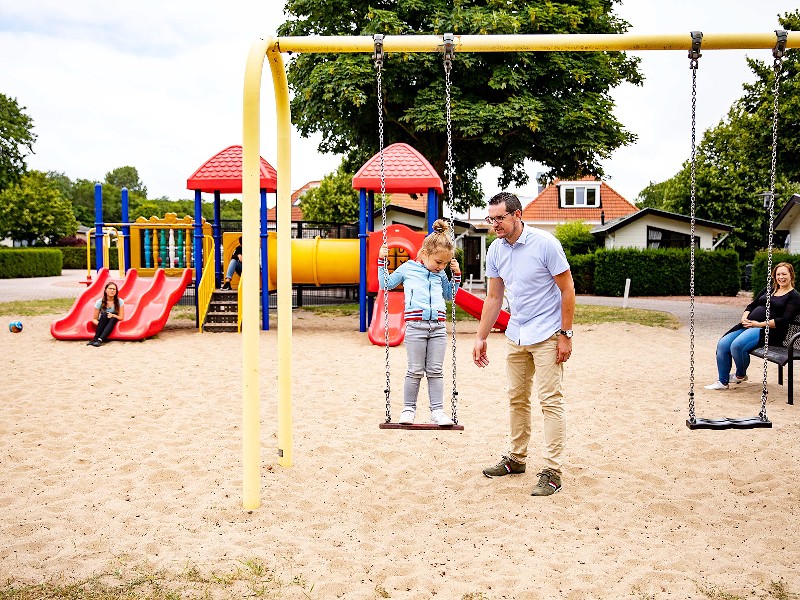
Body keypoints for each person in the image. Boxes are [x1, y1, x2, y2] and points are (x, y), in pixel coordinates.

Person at [472, 192, 575, 497]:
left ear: (517, 215)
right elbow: (493, 298)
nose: (495, 224)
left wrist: (566, 334)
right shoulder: (496, 251)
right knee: (516, 398)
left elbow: (567, 289)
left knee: (550, 401)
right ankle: (516, 459)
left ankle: (552, 471)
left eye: (500, 218)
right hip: (516, 333)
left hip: (547, 334)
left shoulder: (545, 244)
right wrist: (481, 336)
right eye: (491, 219)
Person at [378, 219, 461, 426]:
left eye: (444, 263)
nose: (441, 267)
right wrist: (382, 262)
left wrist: (455, 275)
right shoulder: (408, 269)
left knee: (435, 371)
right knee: (415, 370)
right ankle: (408, 409)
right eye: (438, 262)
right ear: (424, 254)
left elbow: (449, 295)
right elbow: (385, 284)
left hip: (439, 327)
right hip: (416, 326)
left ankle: (437, 411)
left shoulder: (441, 273)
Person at [705, 261, 800, 390]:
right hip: (749, 325)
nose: (781, 277)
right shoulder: (769, 289)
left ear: (791, 275)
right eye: (778, 274)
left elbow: (784, 320)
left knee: (737, 345)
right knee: (723, 344)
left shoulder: (794, 296)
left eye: (784, 274)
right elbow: (752, 305)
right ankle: (722, 382)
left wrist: (759, 324)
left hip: (769, 331)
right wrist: (744, 317)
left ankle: (740, 375)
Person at [87, 282, 125, 347]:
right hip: (103, 320)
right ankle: (95, 338)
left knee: (113, 318)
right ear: (105, 290)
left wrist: (113, 315)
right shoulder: (100, 302)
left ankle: (100, 339)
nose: (112, 290)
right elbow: (94, 319)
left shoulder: (120, 301)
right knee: (104, 314)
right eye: (110, 289)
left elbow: (121, 317)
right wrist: (100, 324)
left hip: (114, 320)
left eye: (114, 289)